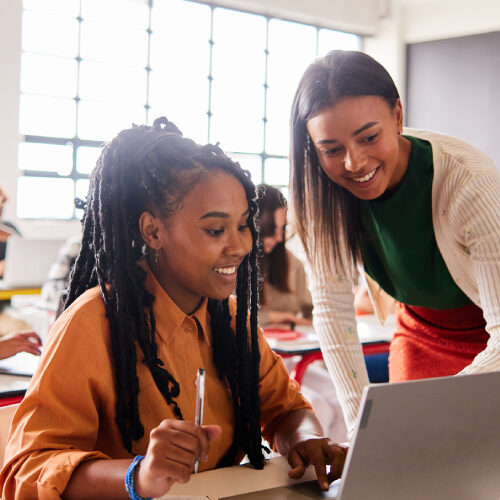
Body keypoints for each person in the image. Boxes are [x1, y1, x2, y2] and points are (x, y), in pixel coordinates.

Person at [0, 118, 347, 499]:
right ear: (153, 231)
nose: (239, 246)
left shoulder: (231, 318)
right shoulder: (93, 322)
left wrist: (306, 439)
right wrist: (140, 475)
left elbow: (286, 410)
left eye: (245, 225)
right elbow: (28, 471)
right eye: (215, 230)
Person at [289, 49, 500, 436]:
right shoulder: (323, 195)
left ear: (398, 116)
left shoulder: (470, 183)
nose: (354, 163)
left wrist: (447, 403)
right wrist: (358, 428)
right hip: (420, 333)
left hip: (492, 338)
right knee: (409, 462)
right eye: (331, 149)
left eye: (369, 137)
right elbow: (334, 315)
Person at [255, 184, 313, 328]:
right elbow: (229, 317)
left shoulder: (293, 263)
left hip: (290, 347)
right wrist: (278, 317)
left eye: (283, 229)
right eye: (273, 229)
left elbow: (311, 311)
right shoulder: (232, 265)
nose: (279, 238)